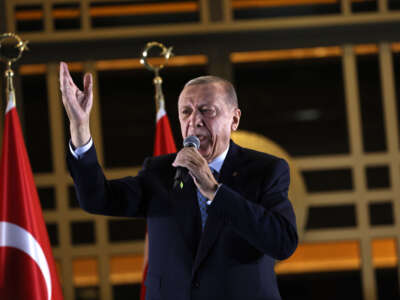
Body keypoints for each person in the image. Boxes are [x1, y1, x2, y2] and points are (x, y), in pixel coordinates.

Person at [60, 61, 298, 300]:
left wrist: (215, 191)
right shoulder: (161, 171)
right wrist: (80, 129)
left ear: (234, 120)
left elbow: (282, 243)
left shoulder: (266, 170)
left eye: (207, 110)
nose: (194, 120)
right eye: (186, 111)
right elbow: (97, 199)